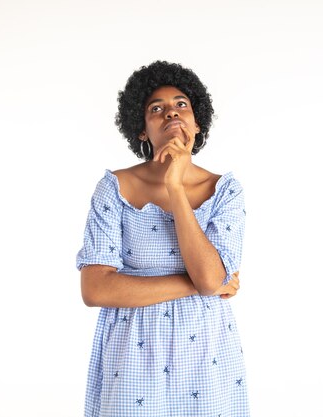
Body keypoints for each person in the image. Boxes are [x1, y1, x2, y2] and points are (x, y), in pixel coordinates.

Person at [76, 60, 249, 416]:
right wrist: (200, 286)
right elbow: (96, 289)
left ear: (197, 123)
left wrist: (175, 186)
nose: (171, 112)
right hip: (132, 355)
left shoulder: (225, 191)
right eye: (156, 108)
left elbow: (210, 277)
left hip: (206, 355)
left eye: (181, 104)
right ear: (142, 130)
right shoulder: (115, 189)